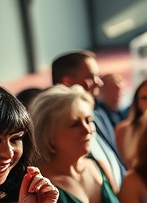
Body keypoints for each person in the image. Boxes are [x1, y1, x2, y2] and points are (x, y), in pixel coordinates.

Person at [52, 51, 126, 189]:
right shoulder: (57, 132)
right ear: (67, 82)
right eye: (91, 77)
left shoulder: (98, 115)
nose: (99, 83)